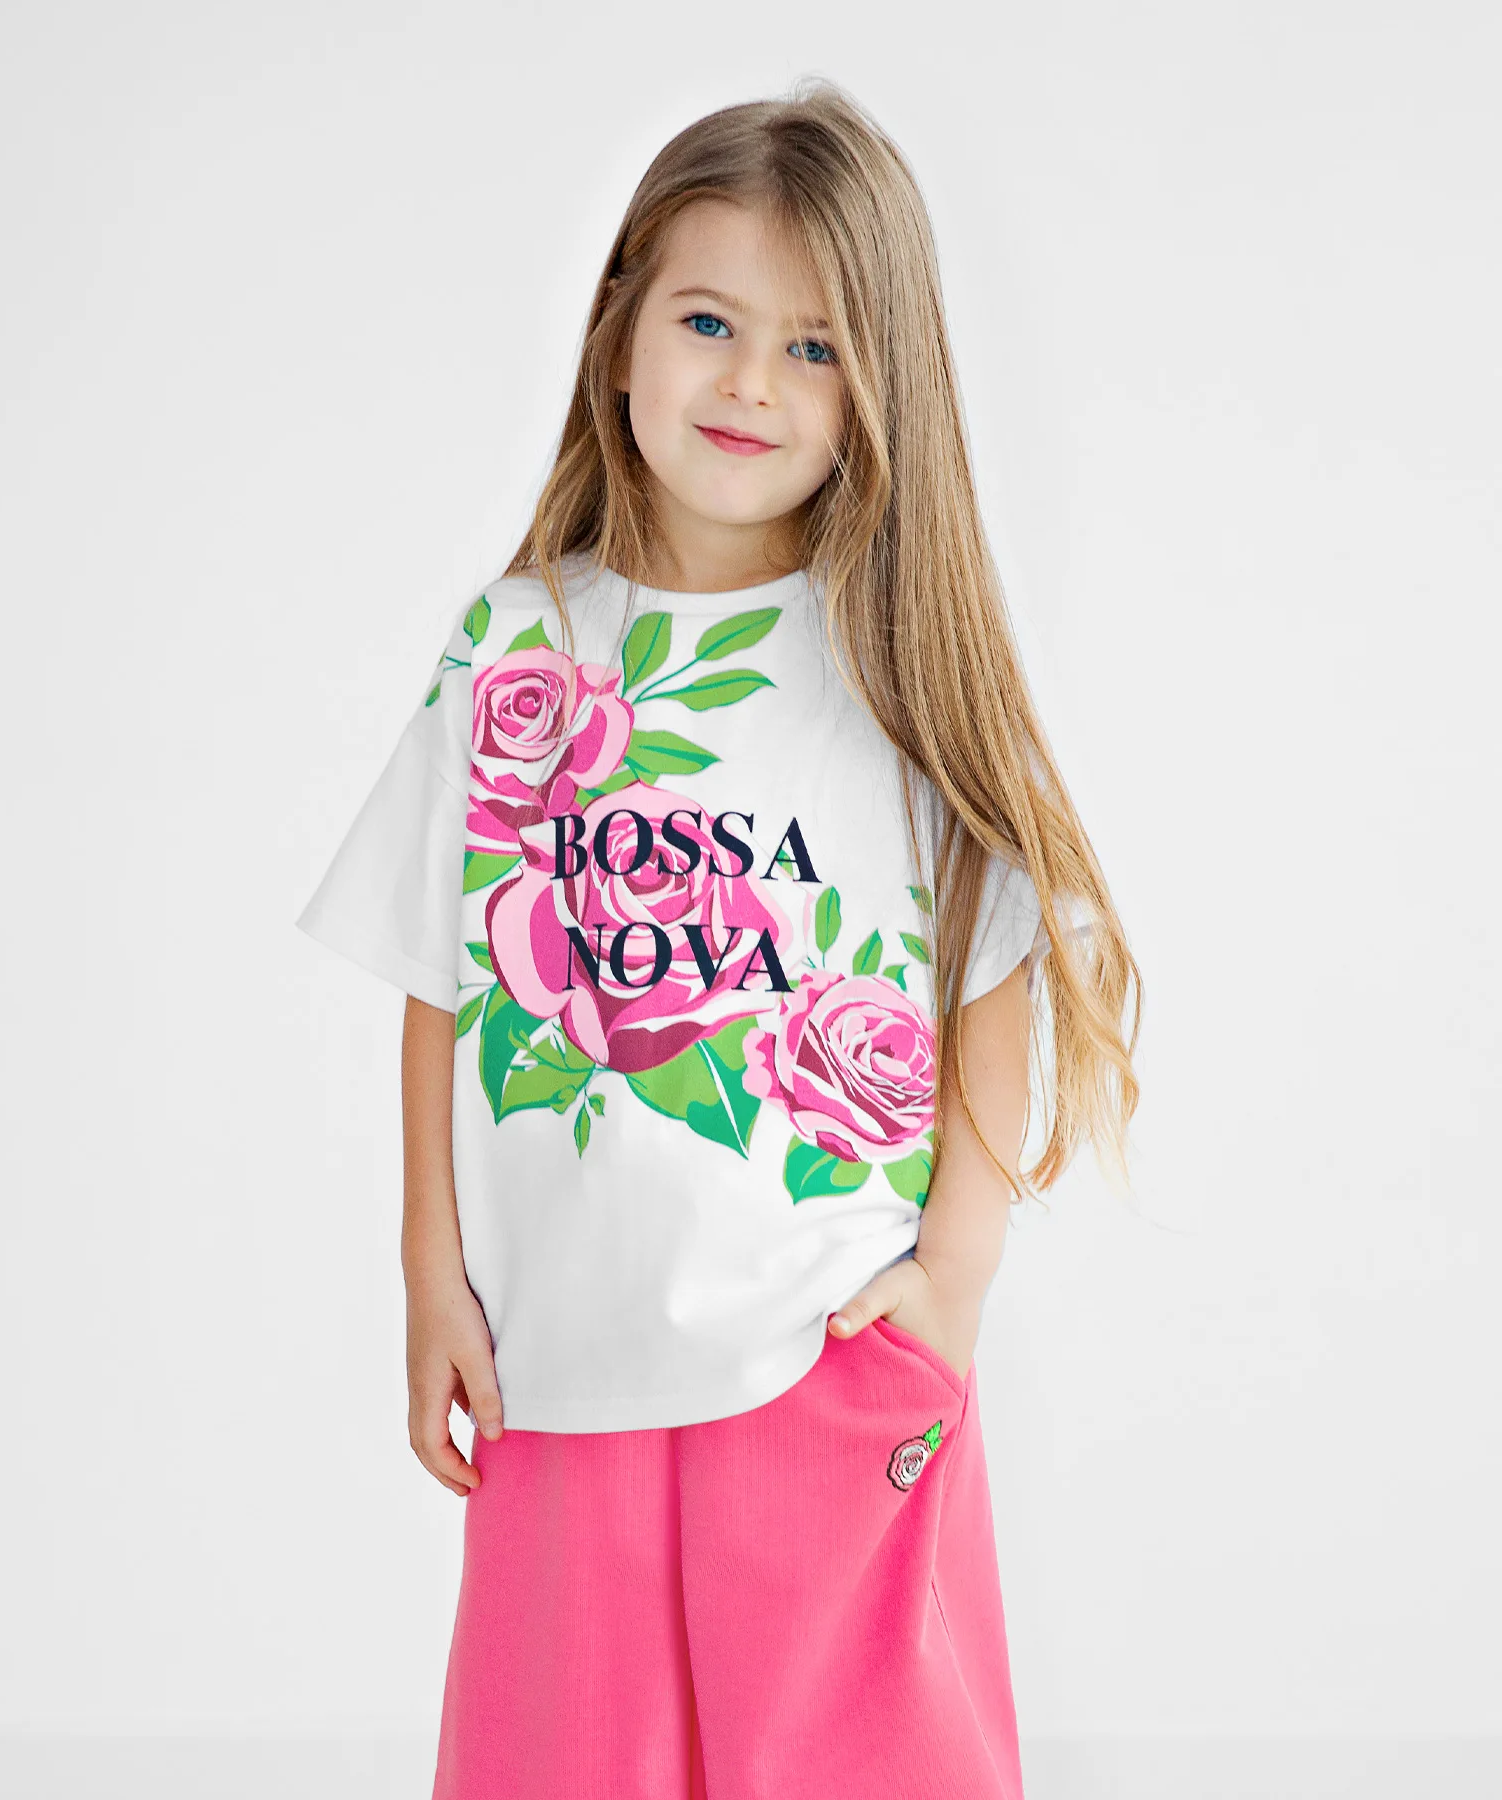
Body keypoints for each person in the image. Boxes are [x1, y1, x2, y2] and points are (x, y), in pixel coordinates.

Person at [296, 77, 1141, 1800]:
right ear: (619, 333)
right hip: (560, 1366)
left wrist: (953, 1284)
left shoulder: (895, 667)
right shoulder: (516, 647)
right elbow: (444, 977)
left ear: (879, 390)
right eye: (709, 322)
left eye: (814, 347)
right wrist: (429, 1272)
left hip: (827, 1358)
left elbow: (994, 968)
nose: (753, 380)